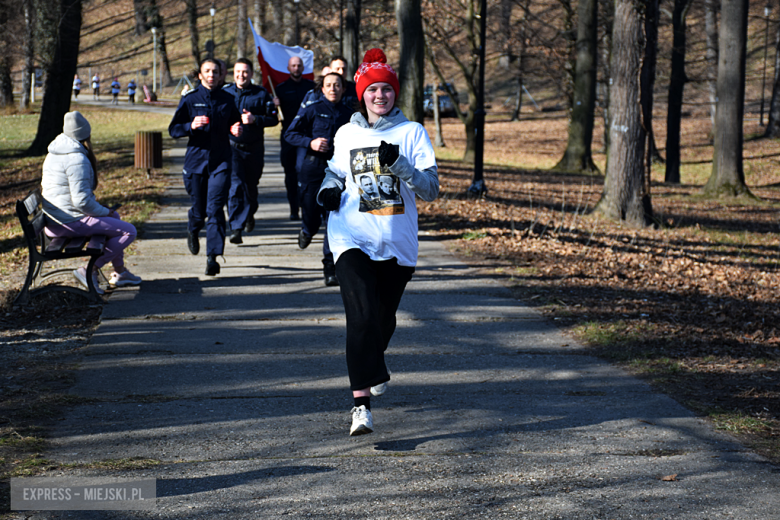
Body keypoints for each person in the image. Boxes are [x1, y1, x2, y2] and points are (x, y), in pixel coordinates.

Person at [317, 48, 439, 436]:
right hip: (350, 236)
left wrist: (401, 165)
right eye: (373, 90)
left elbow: (431, 189)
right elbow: (334, 173)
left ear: (394, 93)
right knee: (361, 317)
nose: (380, 96)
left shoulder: (412, 132)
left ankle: (376, 364)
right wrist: (327, 192)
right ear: (362, 94)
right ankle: (361, 407)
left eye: (386, 89)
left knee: (382, 320)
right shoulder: (346, 133)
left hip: (396, 243)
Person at [41, 111, 142, 294]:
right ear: (85, 134)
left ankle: (120, 273)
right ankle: (89, 270)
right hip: (68, 222)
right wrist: (105, 212)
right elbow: (81, 202)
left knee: (117, 218)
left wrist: (107, 213)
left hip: (57, 219)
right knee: (129, 231)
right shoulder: (77, 159)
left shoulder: (55, 151)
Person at [168, 58, 243, 276]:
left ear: (221, 75)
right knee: (200, 211)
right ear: (200, 75)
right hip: (196, 163)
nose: (211, 75)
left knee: (215, 209)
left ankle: (213, 257)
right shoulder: (191, 99)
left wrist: (236, 130)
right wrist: (190, 126)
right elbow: (173, 129)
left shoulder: (228, 100)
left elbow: (234, 124)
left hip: (221, 162)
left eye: (215, 71)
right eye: (207, 71)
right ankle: (193, 228)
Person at [284, 72, 353, 286]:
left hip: (339, 172)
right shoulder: (312, 109)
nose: (333, 89)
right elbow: (290, 134)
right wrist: (310, 143)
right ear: (322, 89)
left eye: (337, 85)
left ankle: (329, 267)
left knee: (333, 219)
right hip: (313, 169)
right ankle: (306, 230)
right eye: (328, 85)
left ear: (343, 88)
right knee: (312, 218)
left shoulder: (350, 115)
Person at [223, 58, 278, 243]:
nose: (241, 75)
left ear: (252, 74)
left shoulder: (261, 94)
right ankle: (236, 228)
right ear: (233, 73)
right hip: (232, 148)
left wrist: (256, 119)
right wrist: (229, 127)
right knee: (235, 186)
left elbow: (273, 119)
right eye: (238, 71)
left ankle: (249, 213)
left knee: (250, 188)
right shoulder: (225, 92)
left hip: (254, 149)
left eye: (245, 72)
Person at [272, 56, 314, 220]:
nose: (296, 68)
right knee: (290, 173)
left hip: (306, 136)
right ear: (289, 68)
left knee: (304, 171)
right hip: (288, 136)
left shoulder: (311, 88)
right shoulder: (280, 89)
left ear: (303, 68)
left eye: (299, 65)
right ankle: (293, 209)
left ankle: (306, 207)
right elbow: (273, 116)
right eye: (293, 65)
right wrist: (274, 106)